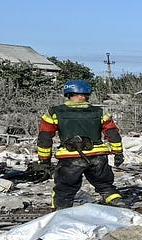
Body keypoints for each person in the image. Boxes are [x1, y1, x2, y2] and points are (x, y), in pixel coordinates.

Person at [37, 79, 125, 209]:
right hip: (98, 156)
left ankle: (60, 214)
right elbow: (113, 133)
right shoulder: (100, 112)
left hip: (70, 157)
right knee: (105, 186)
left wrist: (44, 161)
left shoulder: (54, 112)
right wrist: (118, 153)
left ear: (68, 94)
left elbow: (45, 137)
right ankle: (118, 205)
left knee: (64, 189)